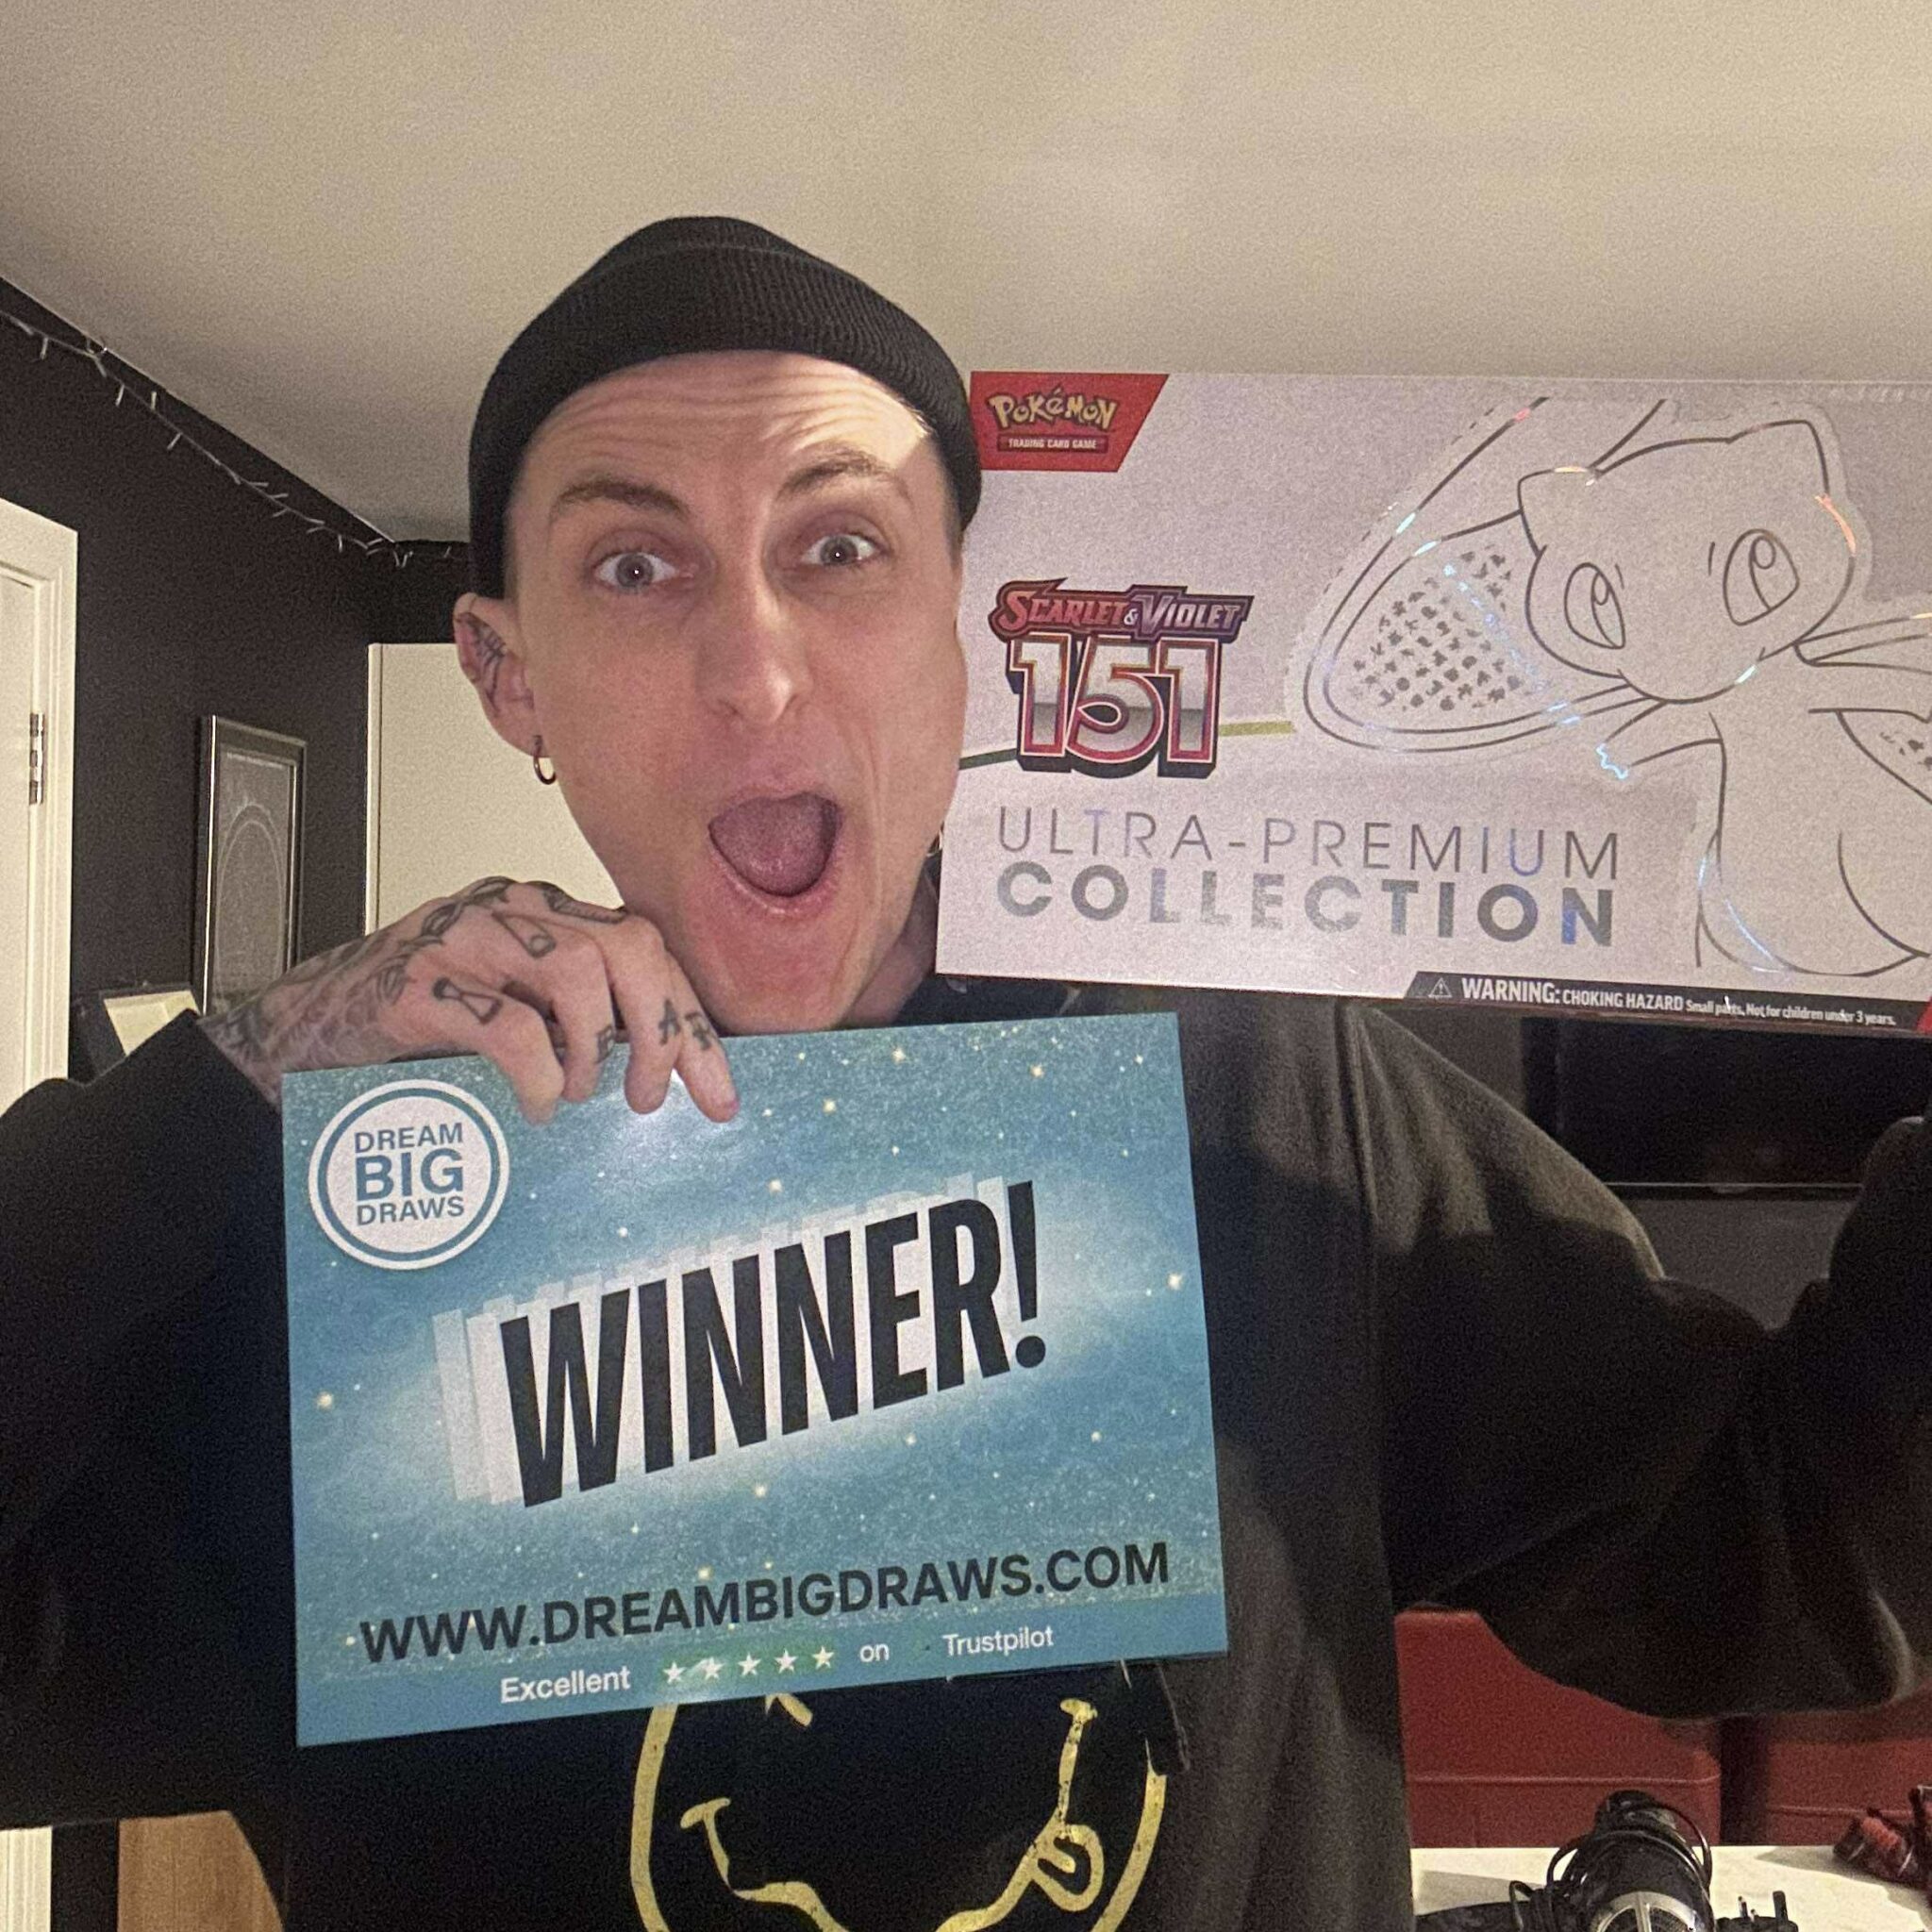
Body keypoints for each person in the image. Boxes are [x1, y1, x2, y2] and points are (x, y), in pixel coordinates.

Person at [2, 217, 1929, 1932]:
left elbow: (1786, 1550)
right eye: (634, 564)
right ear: (512, 678)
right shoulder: (372, 1214)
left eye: (839, 547)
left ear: (968, 639)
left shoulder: (1249, 1078)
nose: (756, 672)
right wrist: (230, 1076)